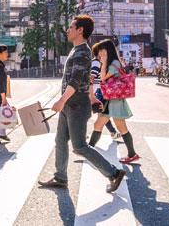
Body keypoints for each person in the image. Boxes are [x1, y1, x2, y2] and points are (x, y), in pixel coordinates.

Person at [39, 15, 126, 193]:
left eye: (71, 27)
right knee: (60, 140)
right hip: (71, 104)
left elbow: (76, 79)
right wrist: (92, 97)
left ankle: (113, 173)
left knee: (79, 146)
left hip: (76, 105)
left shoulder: (82, 52)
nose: (67, 30)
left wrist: (62, 100)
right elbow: (86, 77)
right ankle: (60, 177)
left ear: (80, 30)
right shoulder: (76, 50)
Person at [90, 39, 139, 164]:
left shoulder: (114, 63)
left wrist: (104, 61)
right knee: (98, 125)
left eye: (101, 50)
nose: (100, 53)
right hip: (109, 99)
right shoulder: (110, 62)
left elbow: (102, 77)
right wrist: (104, 62)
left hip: (115, 100)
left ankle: (132, 154)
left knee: (122, 128)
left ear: (107, 50)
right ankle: (88, 150)